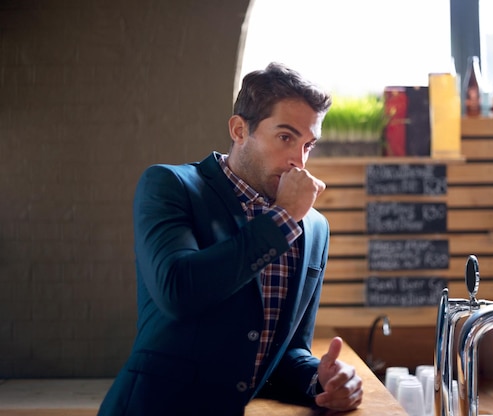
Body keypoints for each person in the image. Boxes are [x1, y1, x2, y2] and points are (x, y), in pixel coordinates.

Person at [98, 62, 363, 416]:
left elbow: (284, 352)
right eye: (285, 138)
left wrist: (321, 380)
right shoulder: (169, 185)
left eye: (308, 145)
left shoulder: (314, 228)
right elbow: (179, 291)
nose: (298, 162)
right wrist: (283, 217)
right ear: (240, 129)